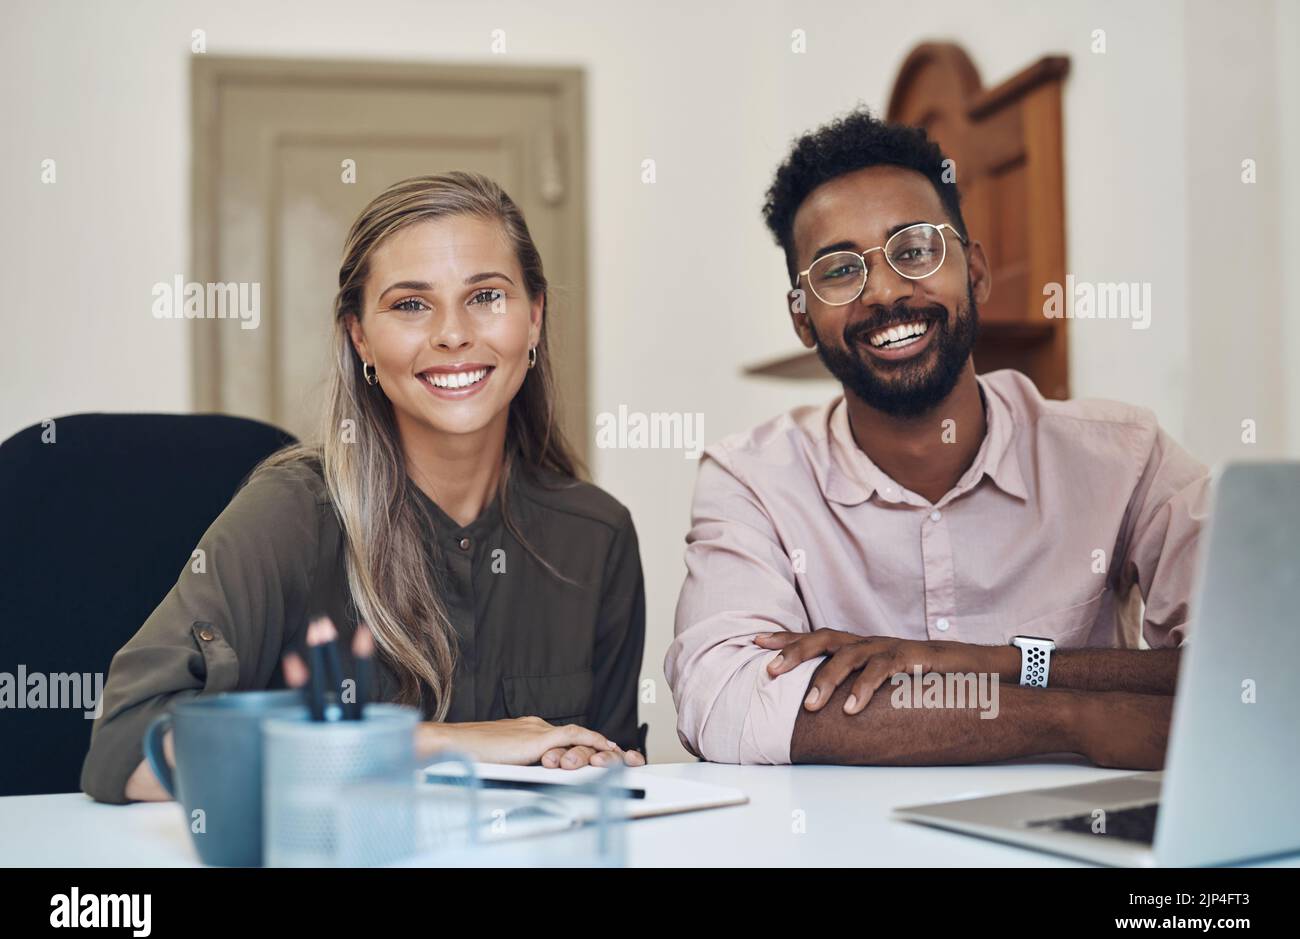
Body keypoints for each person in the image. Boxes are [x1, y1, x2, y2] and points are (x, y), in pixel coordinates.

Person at [666, 109, 1207, 769]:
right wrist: (1079, 715)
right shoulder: (751, 477)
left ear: (975, 272)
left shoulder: (1123, 455)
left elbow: (1255, 666)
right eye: (839, 271)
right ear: (803, 320)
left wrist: (997, 663)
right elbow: (727, 702)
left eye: (915, 249)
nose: (887, 291)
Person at [83, 172, 646, 804]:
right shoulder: (293, 514)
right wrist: (433, 742)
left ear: (535, 317)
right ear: (360, 337)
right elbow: (126, 747)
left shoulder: (598, 537)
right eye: (410, 304)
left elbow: (607, 781)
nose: (453, 334)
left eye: (486, 296)